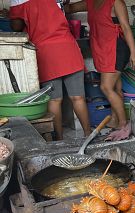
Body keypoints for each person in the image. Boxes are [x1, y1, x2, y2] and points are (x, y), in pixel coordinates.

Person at [9, 0, 92, 141]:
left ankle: (59, 140)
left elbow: (16, 26)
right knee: (78, 97)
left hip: (46, 52)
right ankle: (88, 135)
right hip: (68, 47)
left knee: (54, 100)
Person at [65, 0, 135, 141]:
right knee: (116, 88)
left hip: (116, 48)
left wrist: (133, 53)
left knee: (106, 87)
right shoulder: (90, 2)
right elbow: (69, 9)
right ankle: (114, 120)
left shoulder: (116, 2)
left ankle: (123, 124)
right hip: (102, 48)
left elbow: (126, 27)